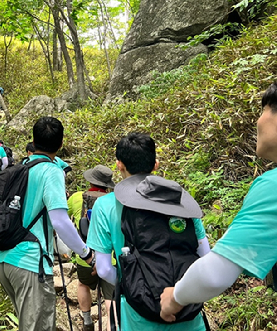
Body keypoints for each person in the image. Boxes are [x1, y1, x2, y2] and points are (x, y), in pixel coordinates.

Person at [160, 81, 277, 323]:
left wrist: (173, 298)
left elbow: (215, 274)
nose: (258, 121)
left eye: (263, 109)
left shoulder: (273, 186)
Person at [86, 132, 210, 331]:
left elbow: (103, 269)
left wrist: (132, 283)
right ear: (156, 164)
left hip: (137, 313)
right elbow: (205, 257)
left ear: (119, 165)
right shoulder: (181, 202)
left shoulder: (105, 205)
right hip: (187, 310)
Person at [0, 117, 95, 331]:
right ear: (60, 144)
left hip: (3, 259)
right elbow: (60, 220)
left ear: (33, 140)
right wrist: (86, 253)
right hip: (30, 262)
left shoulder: (21, 167)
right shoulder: (51, 171)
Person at [67, 165, 116, 331]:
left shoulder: (76, 197)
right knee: (111, 296)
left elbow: (65, 221)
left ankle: (87, 321)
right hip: (110, 258)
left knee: (82, 285)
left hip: (85, 256)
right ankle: (112, 326)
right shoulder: (114, 201)